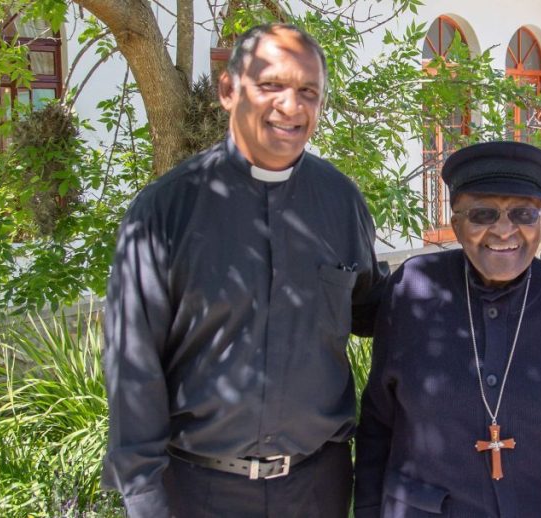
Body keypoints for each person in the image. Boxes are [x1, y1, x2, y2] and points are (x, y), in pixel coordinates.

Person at [101, 24, 387, 517]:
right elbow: (133, 363)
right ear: (228, 90)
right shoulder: (165, 210)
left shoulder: (340, 201)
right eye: (271, 85)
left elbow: (375, 308)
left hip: (317, 488)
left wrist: (487, 278)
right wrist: (144, 499)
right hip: (198, 491)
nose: (291, 106)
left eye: (308, 92)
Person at [354, 141, 541, 518]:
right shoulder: (411, 290)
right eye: (482, 214)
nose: (503, 230)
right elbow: (377, 423)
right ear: (456, 224)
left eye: (523, 214)